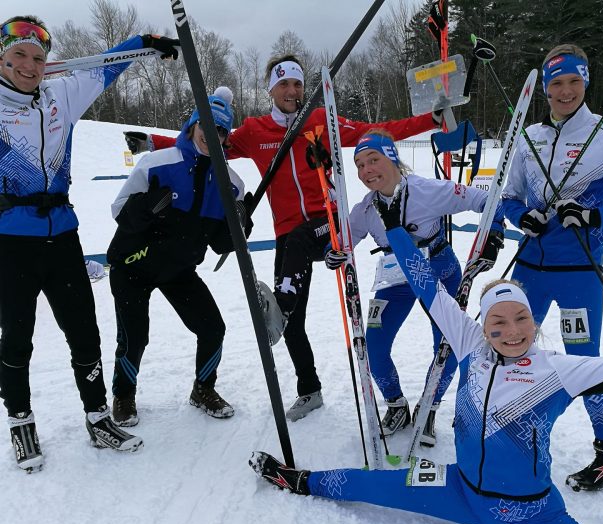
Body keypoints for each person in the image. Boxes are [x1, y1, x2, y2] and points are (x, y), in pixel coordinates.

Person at [250, 200, 603, 524]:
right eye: (498, 322)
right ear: (483, 323)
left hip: (530, 516)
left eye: (521, 319)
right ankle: (300, 480)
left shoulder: (559, 370)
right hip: (459, 490)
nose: (511, 332)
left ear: (534, 322)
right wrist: (396, 231)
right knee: (372, 485)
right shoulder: (470, 341)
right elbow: (426, 286)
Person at [123, 54, 442, 422]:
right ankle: (309, 388)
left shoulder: (321, 121)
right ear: (271, 89)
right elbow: (205, 142)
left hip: (327, 224)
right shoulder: (255, 131)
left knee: (296, 259)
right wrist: (153, 141)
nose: (292, 91)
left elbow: (379, 131)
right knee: (290, 321)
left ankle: (282, 305)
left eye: (297, 84)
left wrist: (430, 121)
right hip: (287, 234)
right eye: (284, 84)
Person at [0, 15, 179, 472]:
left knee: (84, 331)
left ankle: (98, 417)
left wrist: (146, 43)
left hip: (62, 235)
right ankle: (21, 422)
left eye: (38, 57)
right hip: (10, 241)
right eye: (18, 54)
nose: (29, 64)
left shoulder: (62, 93)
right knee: (16, 339)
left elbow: (107, 65)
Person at [498, 44, 603, 491]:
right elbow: (507, 198)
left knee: (583, 361)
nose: (565, 91)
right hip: (529, 271)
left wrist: (596, 215)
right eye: (555, 83)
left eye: (573, 81)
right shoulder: (529, 138)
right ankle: (507, 437)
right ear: (544, 88)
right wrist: (521, 216)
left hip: (580, 273)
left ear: (586, 82)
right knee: (508, 351)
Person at [323, 129, 500, 442]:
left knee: (446, 346)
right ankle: (396, 405)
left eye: (373, 160)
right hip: (395, 278)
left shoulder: (428, 190)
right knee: (372, 347)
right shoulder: (364, 209)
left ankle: (429, 408)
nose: (366, 171)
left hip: (439, 272)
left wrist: (494, 235)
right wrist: (333, 253)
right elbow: (343, 242)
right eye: (360, 165)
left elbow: (487, 200)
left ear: (391, 158)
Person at [108, 95, 252, 427]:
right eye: (206, 126)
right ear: (192, 126)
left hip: (179, 271)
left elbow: (220, 244)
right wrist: (145, 208)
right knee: (134, 337)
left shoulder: (230, 183)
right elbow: (118, 211)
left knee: (213, 328)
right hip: (133, 265)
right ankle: (124, 395)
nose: (212, 135)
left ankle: (203, 389)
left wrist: (241, 224)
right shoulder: (157, 163)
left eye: (221, 130)